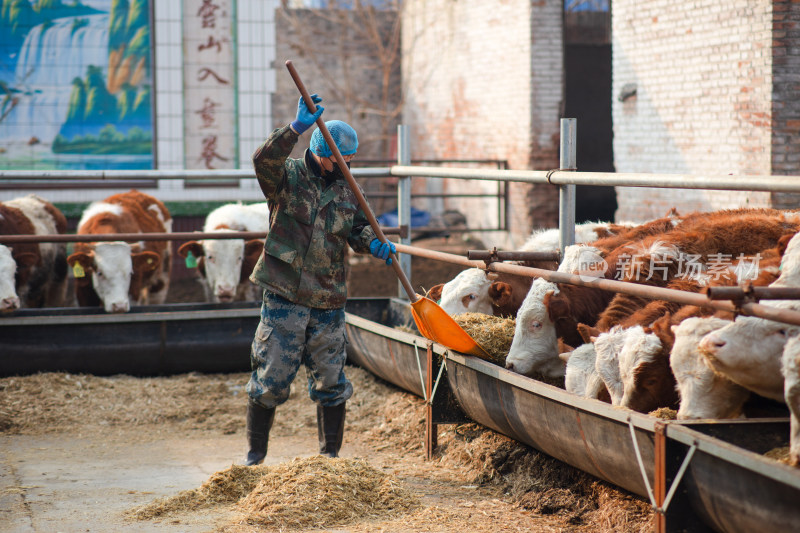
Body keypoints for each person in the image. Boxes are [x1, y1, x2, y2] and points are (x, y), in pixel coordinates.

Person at [243, 93, 396, 465]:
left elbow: (359, 228)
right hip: (284, 294)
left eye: (350, 160)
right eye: (339, 159)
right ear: (318, 150)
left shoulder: (349, 189)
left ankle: (330, 458)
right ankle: (255, 455)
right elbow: (262, 160)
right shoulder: (287, 176)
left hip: (328, 299)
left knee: (331, 381)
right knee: (271, 378)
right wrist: (295, 127)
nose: (345, 166)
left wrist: (374, 243)